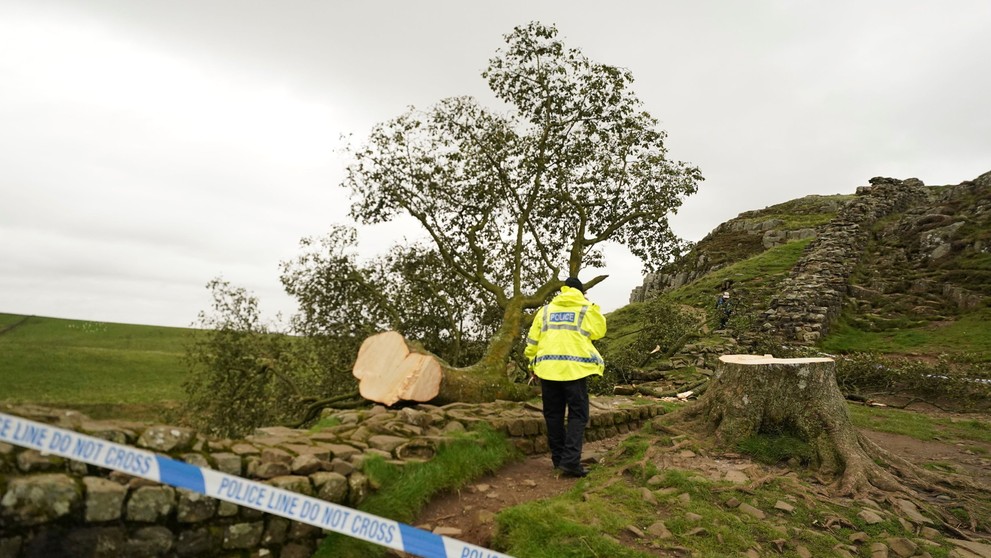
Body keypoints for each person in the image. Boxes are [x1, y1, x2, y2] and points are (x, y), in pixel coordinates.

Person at [524, 277, 607, 478]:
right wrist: (590, 304)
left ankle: (558, 460)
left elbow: (532, 342)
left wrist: (531, 365)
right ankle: (570, 462)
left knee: (553, 415)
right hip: (575, 371)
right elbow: (599, 331)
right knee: (578, 416)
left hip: (547, 369)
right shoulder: (585, 309)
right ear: (581, 292)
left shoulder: (544, 311)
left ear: (562, 290)